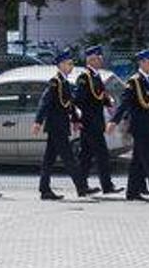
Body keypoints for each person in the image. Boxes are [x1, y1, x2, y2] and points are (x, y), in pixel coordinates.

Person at [31, 50, 89, 200]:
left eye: (72, 63)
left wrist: (76, 120)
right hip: (56, 126)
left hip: (60, 125)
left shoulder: (65, 83)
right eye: (69, 64)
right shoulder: (55, 82)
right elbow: (45, 102)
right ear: (61, 65)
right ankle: (82, 188)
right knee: (69, 158)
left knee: (49, 160)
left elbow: (69, 105)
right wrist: (38, 121)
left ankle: (44, 189)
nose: (72, 66)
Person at [111, 49, 149, 202]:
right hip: (139, 126)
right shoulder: (134, 81)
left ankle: (132, 192)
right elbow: (125, 103)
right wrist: (113, 121)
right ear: (141, 63)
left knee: (138, 160)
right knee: (148, 157)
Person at [71, 46, 119, 194]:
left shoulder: (96, 76)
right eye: (99, 58)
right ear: (91, 60)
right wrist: (76, 119)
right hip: (90, 123)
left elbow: (99, 95)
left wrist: (108, 102)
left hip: (95, 122)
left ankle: (82, 187)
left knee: (86, 156)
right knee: (102, 155)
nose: (101, 60)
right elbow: (78, 100)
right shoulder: (85, 78)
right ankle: (107, 186)